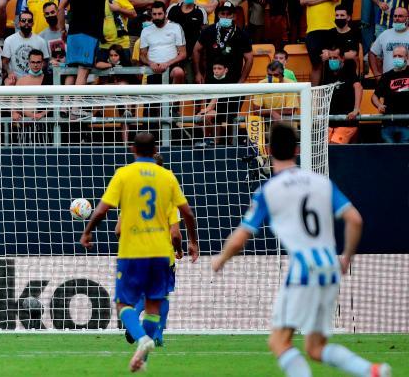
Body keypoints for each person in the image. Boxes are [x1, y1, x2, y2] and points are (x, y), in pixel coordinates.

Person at [212, 123, 392, 377]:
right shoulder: (321, 183)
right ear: (297, 149)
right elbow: (355, 219)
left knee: (279, 342)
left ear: (268, 149)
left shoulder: (269, 191)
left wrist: (220, 259)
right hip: (330, 267)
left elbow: (241, 237)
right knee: (316, 348)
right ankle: (371, 371)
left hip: (304, 270)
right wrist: (347, 257)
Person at [81, 132, 199, 372]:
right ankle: (144, 354)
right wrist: (193, 241)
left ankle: (142, 339)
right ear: (154, 149)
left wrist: (88, 231)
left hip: (132, 252)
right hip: (160, 254)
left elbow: (103, 211)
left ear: (132, 149)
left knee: (123, 304)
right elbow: (187, 214)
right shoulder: (167, 177)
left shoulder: (124, 174)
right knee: (154, 306)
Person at [139, 2, 187, 83]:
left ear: (165, 14)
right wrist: (150, 63)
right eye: (154, 14)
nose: (157, 17)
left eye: (160, 14)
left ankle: (174, 95)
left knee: (178, 72)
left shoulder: (176, 27)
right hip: (153, 69)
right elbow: (142, 55)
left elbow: (183, 54)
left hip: (171, 67)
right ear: (151, 15)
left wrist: (167, 63)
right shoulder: (145, 31)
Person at [372, 45, 409, 142]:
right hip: (388, 123)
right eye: (395, 56)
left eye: (400, 56)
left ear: (407, 57)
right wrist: (379, 105)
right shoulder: (386, 76)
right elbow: (375, 96)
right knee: (388, 154)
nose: (397, 58)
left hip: (407, 124)